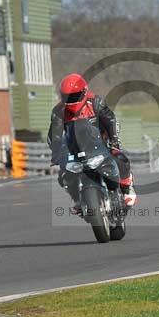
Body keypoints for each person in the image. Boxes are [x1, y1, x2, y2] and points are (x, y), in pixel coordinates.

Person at [47, 73, 137, 212]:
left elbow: (110, 120)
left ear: (84, 92)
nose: (70, 101)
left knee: (119, 158)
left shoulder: (95, 102)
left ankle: (126, 187)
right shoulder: (59, 111)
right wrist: (56, 153)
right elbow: (55, 134)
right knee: (63, 174)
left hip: (101, 141)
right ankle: (77, 199)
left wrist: (114, 140)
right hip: (75, 148)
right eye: (67, 97)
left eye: (74, 96)